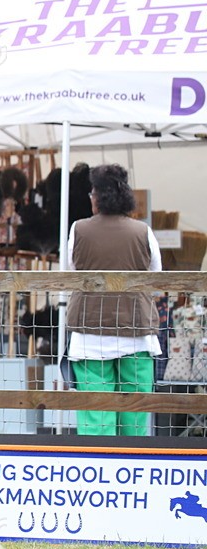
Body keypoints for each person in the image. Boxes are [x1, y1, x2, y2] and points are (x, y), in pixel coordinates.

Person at [66, 164, 161, 436]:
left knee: (95, 412)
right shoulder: (143, 231)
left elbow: (69, 270)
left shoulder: (79, 229)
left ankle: (96, 466)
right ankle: (133, 465)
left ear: (96, 196)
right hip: (135, 327)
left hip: (89, 329)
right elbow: (156, 275)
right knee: (135, 410)